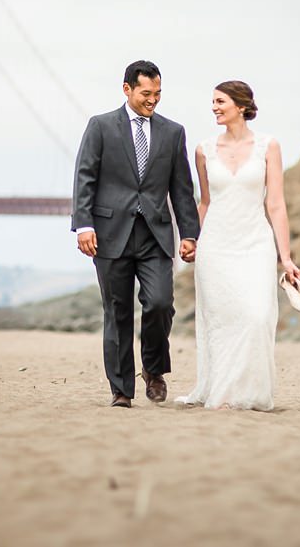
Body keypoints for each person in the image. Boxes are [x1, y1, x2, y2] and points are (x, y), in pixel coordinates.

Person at [72, 60, 199, 408]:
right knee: (118, 312)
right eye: (146, 93)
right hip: (109, 233)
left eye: (158, 93)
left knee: (160, 304)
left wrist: (189, 233)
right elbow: (85, 177)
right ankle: (121, 391)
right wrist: (84, 224)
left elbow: (182, 189)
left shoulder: (173, 133)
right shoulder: (100, 127)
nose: (152, 100)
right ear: (126, 89)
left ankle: (154, 369)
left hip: (155, 234)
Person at [177, 81, 300, 411]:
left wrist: (285, 258)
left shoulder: (268, 146)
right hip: (215, 245)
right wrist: (192, 238)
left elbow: (276, 204)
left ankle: (251, 391)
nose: (214, 107)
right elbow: (204, 202)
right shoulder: (204, 149)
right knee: (221, 320)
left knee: (257, 315)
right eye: (213, 102)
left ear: (241, 105)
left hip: (255, 243)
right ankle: (225, 391)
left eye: (220, 101)